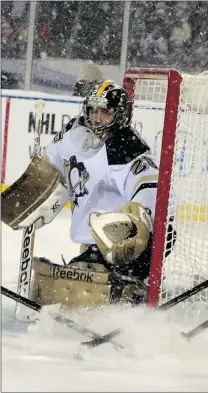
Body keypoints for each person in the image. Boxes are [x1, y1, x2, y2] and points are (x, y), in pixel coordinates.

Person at [1, 81, 160, 309]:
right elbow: (49, 165)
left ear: (121, 115)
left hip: (118, 247)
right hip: (92, 243)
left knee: (77, 287)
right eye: (92, 110)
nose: (96, 118)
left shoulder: (126, 147)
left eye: (105, 112)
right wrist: (32, 190)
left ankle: (127, 291)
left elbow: (148, 193)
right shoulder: (74, 132)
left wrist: (134, 238)